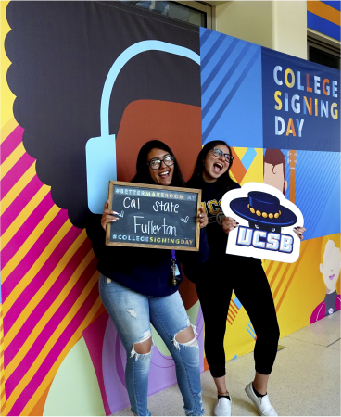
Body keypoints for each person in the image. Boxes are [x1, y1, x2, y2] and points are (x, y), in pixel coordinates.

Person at [86, 140, 209, 416]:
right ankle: (141, 414)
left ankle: (196, 412)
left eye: (168, 159)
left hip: (161, 285)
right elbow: (101, 249)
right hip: (122, 282)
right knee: (141, 352)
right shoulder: (128, 200)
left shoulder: (185, 202)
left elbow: (198, 261)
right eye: (155, 162)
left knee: (189, 350)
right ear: (146, 168)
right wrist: (103, 226)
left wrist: (201, 231)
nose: (163, 166)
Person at [186, 140, 306, 417]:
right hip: (210, 271)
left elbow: (261, 227)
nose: (223, 159)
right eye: (217, 152)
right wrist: (216, 226)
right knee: (215, 333)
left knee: (270, 330)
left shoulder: (238, 192)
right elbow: (183, 236)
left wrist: (288, 232)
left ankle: (259, 391)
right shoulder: (187, 192)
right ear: (204, 155)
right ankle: (223, 394)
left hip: (245, 267)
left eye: (228, 156)